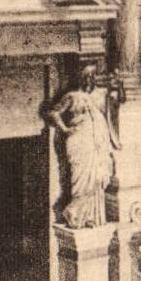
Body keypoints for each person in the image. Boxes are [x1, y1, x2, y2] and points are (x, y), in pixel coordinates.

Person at [45, 64, 116, 229]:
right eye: (87, 76)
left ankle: (90, 216)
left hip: (94, 143)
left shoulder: (98, 96)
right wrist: (65, 129)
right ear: (81, 77)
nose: (90, 80)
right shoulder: (72, 96)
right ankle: (74, 214)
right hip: (78, 142)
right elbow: (53, 113)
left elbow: (111, 109)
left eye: (93, 76)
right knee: (80, 180)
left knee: (96, 178)